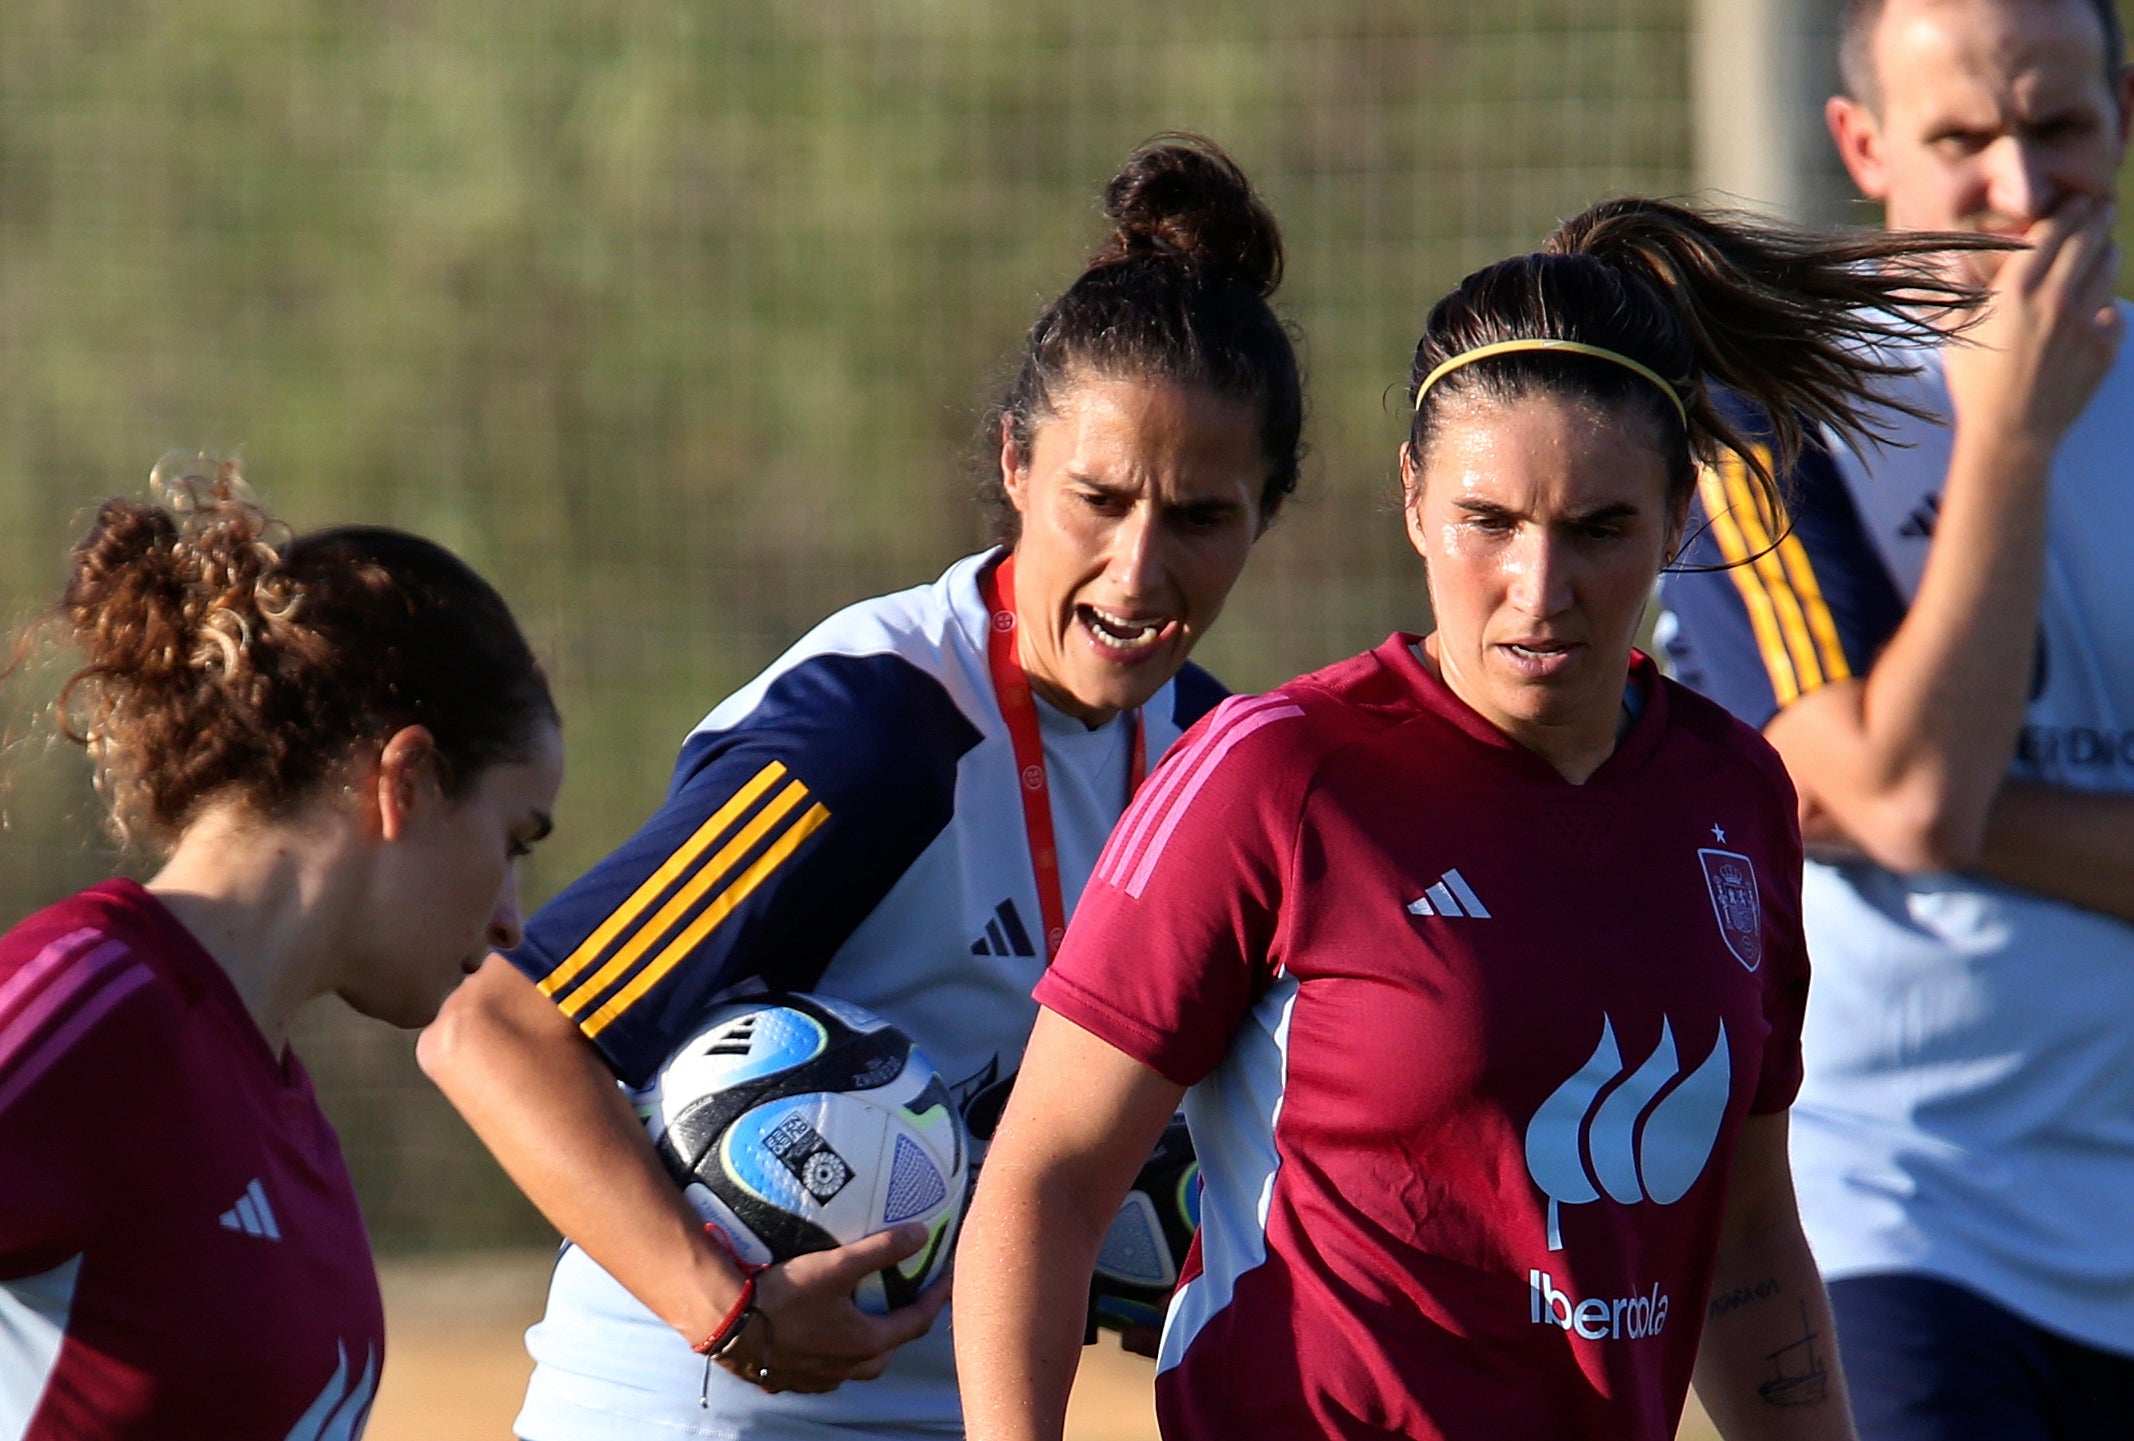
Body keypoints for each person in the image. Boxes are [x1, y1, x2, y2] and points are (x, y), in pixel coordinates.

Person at [953, 198, 2000, 1441]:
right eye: (1487, 522)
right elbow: (1046, 1179)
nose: (1537, 589)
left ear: (1678, 514)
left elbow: (1747, 1236)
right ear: (1413, 499)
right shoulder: (1275, 773)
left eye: (1599, 529)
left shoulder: (1732, 797)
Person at [415, 134, 1301, 1440]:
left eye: (1200, 517)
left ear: (1265, 514)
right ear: (1014, 465)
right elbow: (491, 1031)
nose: (1135, 568)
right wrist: (730, 1310)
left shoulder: (1219, 762)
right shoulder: (879, 729)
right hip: (696, 1413)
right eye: (1098, 499)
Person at [1656, 0, 2134, 1435]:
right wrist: (2010, 438)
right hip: (1897, 1221)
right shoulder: (1764, 410)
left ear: (2124, 118)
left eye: (2058, 126)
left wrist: (1915, 798)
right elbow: (1891, 794)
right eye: (1961, 137)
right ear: (1862, 146)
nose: (2019, 184)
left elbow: (1899, 798)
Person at [0, 459, 563, 1438]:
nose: (514, 916)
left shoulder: (292, 1127)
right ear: (410, 780)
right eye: (513, 841)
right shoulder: (93, 1002)